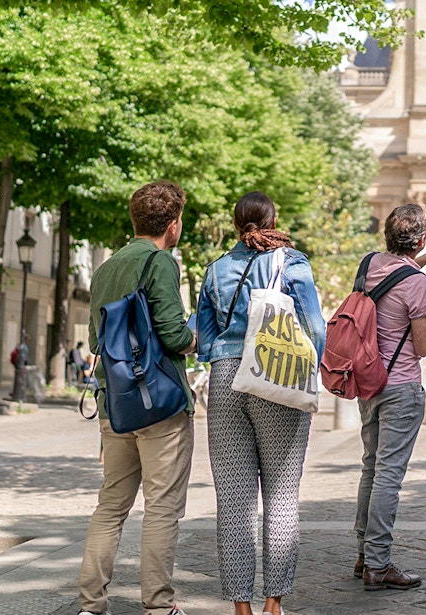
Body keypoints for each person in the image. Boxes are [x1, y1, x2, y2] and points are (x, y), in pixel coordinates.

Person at [196, 192, 327, 615]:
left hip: (225, 380)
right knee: (282, 493)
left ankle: (241, 607)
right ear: (273, 220)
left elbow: (203, 339)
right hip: (275, 376)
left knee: (233, 500)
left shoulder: (215, 270)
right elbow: (314, 327)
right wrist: (313, 366)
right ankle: (274, 602)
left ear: (236, 225)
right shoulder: (290, 262)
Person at [78, 180, 197, 615]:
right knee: (162, 509)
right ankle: (159, 606)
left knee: (110, 507)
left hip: (116, 404)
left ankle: (90, 605)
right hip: (161, 404)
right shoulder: (160, 262)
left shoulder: (105, 268)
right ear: (172, 224)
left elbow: (96, 339)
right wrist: (196, 337)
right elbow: (172, 333)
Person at [354, 203, 426, 591]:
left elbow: (394, 281)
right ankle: (379, 564)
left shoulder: (369, 265)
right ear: (422, 238)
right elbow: (424, 346)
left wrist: (422, 261)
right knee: (389, 476)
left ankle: (363, 555)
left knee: (370, 468)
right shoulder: (418, 285)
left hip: (368, 380)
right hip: (401, 386)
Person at [9, 333, 30, 402]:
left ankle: (16, 392)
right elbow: (24, 356)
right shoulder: (24, 347)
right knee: (22, 379)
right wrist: (28, 362)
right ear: (26, 340)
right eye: (28, 340)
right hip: (21, 364)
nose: (29, 341)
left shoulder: (19, 345)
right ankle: (20, 392)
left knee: (18, 378)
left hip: (17, 364)